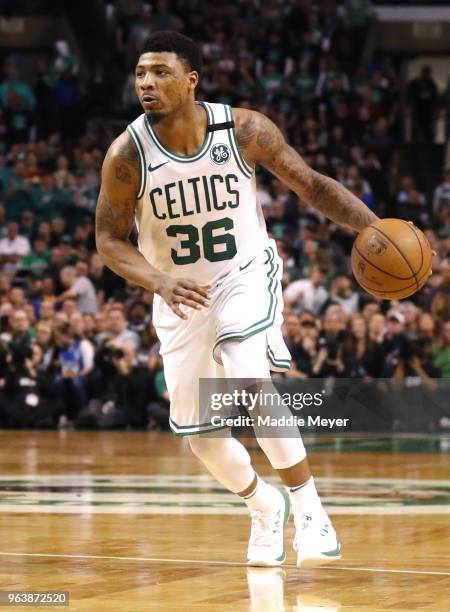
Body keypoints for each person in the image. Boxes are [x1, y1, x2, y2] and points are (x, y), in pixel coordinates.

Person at [95, 31, 381, 569]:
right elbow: (108, 239)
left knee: (247, 371)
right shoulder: (126, 154)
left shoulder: (243, 129)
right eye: (139, 74)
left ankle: (311, 511)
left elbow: (312, 186)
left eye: (159, 72)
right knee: (202, 438)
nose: (146, 83)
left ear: (191, 80)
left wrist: (374, 227)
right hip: (178, 295)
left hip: (243, 272)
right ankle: (263, 505)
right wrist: (158, 282)